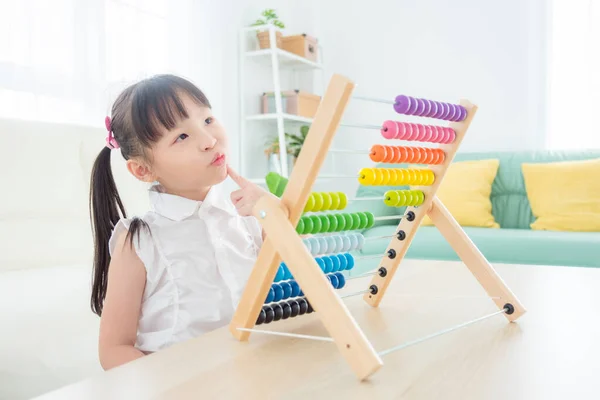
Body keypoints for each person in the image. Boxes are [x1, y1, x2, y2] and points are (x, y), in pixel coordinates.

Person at [89, 74, 271, 370]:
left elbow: (305, 281)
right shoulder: (139, 240)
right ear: (143, 170)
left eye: (208, 120)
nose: (209, 140)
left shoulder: (248, 220)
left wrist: (272, 215)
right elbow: (113, 349)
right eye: (182, 137)